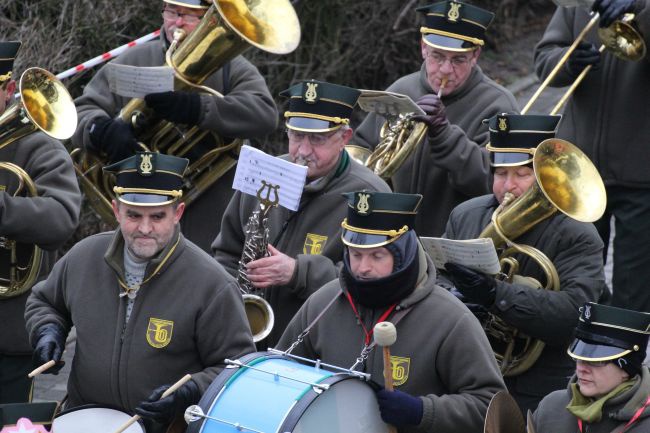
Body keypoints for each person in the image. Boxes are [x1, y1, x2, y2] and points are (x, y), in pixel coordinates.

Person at [24, 152, 254, 433]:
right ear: (116, 209)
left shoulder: (212, 284)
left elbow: (237, 367)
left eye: (157, 216)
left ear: (178, 212)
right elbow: (44, 301)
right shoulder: (83, 256)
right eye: (133, 215)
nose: (145, 228)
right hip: (82, 418)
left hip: (167, 428)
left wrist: (191, 391)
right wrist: (48, 329)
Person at [277, 191, 506, 433]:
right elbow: (280, 374)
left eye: (377, 256)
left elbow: (490, 405)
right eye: (355, 255)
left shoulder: (450, 319)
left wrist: (422, 411)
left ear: (403, 254)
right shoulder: (323, 302)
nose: (363, 268)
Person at [71, 0, 278, 252]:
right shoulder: (135, 59)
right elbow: (82, 110)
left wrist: (199, 108)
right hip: (140, 210)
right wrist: (101, 130)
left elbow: (265, 115)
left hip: (208, 217)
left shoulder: (230, 66)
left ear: (209, 17)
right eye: (172, 12)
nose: (177, 22)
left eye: (189, 16)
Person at [441, 113, 607, 415]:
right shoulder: (465, 215)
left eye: (522, 174)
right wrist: (454, 298)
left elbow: (576, 314)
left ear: (550, 176)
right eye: (500, 173)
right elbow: (434, 279)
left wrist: (497, 295)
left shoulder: (577, 233)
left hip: (539, 384)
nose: (508, 186)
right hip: (466, 371)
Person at [212, 79, 391, 347]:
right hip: (244, 340)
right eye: (296, 136)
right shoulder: (264, 172)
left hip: (321, 346)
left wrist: (298, 272)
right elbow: (227, 251)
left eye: (317, 139)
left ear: (344, 137)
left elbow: (375, 281)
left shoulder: (371, 194)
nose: (303, 152)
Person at [352, 0, 519, 237]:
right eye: (437, 57)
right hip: (388, 240)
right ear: (423, 48)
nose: (445, 70)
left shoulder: (498, 105)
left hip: (452, 241)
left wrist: (444, 135)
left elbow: (495, 183)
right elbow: (362, 153)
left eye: (458, 60)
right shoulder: (400, 90)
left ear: (475, 55)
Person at [534, 1, 650, 313]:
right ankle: (580, 354)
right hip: (578, 169)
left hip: (642, 175)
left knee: (635, 293)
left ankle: (624, 358)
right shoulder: (580, 4)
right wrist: (568, 61)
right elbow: (543, 59)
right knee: (577, 279)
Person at [0, 41, 81, 404]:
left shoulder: (38, 145)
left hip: (9, 333)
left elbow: (63, 217)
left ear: (8, 89)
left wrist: (4, 210)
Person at [532, 302, 650, 433]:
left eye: (596, 361)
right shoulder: (550, 407)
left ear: (627, 368)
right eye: (579, 358)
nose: (581, 369)